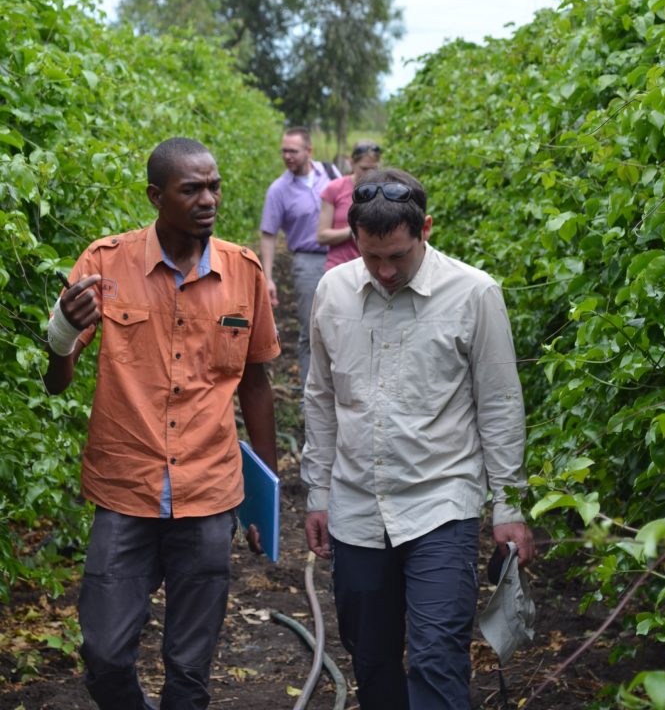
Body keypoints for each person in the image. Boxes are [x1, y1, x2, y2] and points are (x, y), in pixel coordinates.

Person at [44, 137, 280, 710]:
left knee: (189, 670)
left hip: (209, 491)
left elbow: (254, 384)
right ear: (156, 196)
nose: (208, 200)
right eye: (191, 189)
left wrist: (264, 500)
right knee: (103, 655)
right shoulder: (104, 264)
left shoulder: (243, 272)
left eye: (214, 186)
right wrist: (60, 335)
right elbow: (57, 379)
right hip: (126, 488)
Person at [301, 168, 535, 710]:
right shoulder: (332, 291)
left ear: (424, 229)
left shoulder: (474, 293)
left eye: (398, 257)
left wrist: (508, 506)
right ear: (353, 237)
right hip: (357, 503)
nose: (384, 271)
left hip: (441, 501)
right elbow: (320, 396)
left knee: (436, 653)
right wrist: (318, 493)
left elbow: (500, 402)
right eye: (371, 256)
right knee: (371, 653)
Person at [259, 126, 336, 388]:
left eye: (293, 151)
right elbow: (268, 234)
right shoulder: (278, 190)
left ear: (308, 151)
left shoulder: (331, 175)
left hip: (343, 255)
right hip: (307, 261)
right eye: (284, 151)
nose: (287, 156)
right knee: (311, 329)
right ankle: (311, 396)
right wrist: (267, 278)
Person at [316, 141, 381, 271]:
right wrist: (354, 231)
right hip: (339, 266)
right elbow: (322, 236)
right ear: (352, 163)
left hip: (374, 268)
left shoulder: (385, 190)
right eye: (364, 168)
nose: (369, 174)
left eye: (373, 168)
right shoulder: (335, 188)